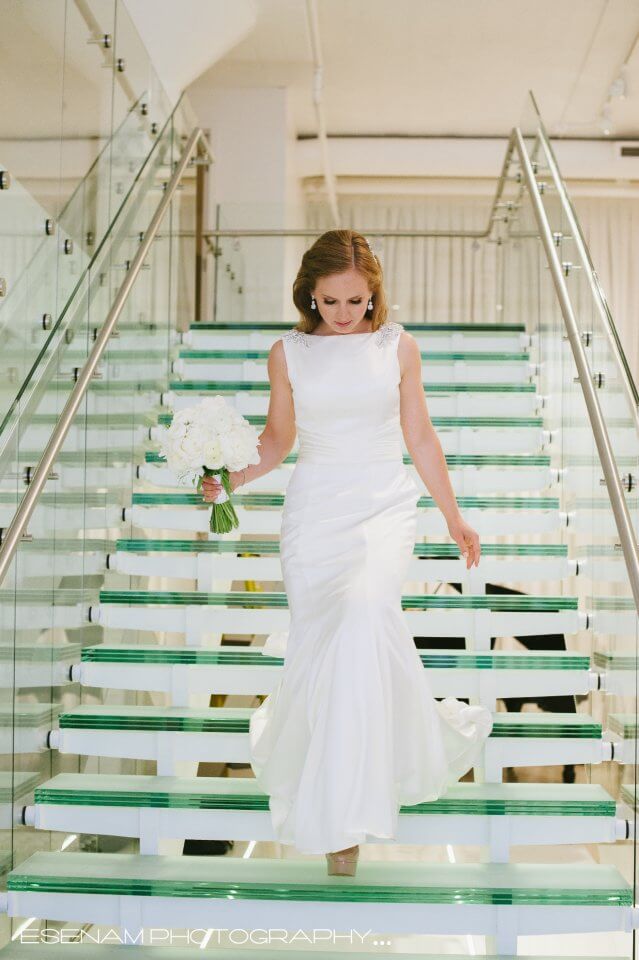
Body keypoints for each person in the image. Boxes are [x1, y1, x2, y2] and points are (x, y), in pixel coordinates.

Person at [201, 228, 493, 877]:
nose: (342, 313)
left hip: (382, 508)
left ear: (372, 296)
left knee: (364, 616)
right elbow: (277, 440)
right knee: (322, 647)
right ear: (309, 294)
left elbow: (418, 434)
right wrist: (229, 477)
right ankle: (339, 815)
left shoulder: (397, 347)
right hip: (314, 515)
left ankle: (347, 819)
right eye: (329, 300)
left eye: (355, 301)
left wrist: (452, 516)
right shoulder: (288, 353)